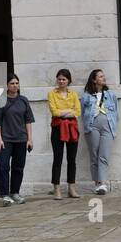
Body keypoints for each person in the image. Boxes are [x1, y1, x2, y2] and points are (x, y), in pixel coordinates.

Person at [0, 74, 34, 205]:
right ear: (7, 86)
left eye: (16, 83)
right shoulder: (1, 100)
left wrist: (30, 139)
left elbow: (28, 121)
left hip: (21, 139)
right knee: (3, 166)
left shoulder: (23, 100)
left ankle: (15, 192)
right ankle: (4, 195)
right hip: (5, 140)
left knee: (18, 167)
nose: (15, 86)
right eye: (12, 83)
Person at [80, 69, 118, 195]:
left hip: (107, 125)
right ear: (94, 80)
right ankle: (97, 183)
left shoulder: (111, 94)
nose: (103, 78)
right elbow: (82, 112)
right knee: (94, 154)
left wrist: (113, 124)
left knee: (104, 155)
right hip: (92, 126)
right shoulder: (86, 96)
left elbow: (116, 112)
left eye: (103, 75)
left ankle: (103, 183)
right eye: (100, 76)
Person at [47, 67, 80, 199]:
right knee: (58, 158)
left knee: (72, 158)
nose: (61, 81)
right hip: (57, 127)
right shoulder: (52, 94)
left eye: (64, 79)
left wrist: (64, 112)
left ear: (69, 81)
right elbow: (54, 112)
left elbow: (77, 111)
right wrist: (68, 111)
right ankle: (57, 188)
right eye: (59, 79)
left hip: (72, 127)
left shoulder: (73, 94)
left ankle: (71, 187)